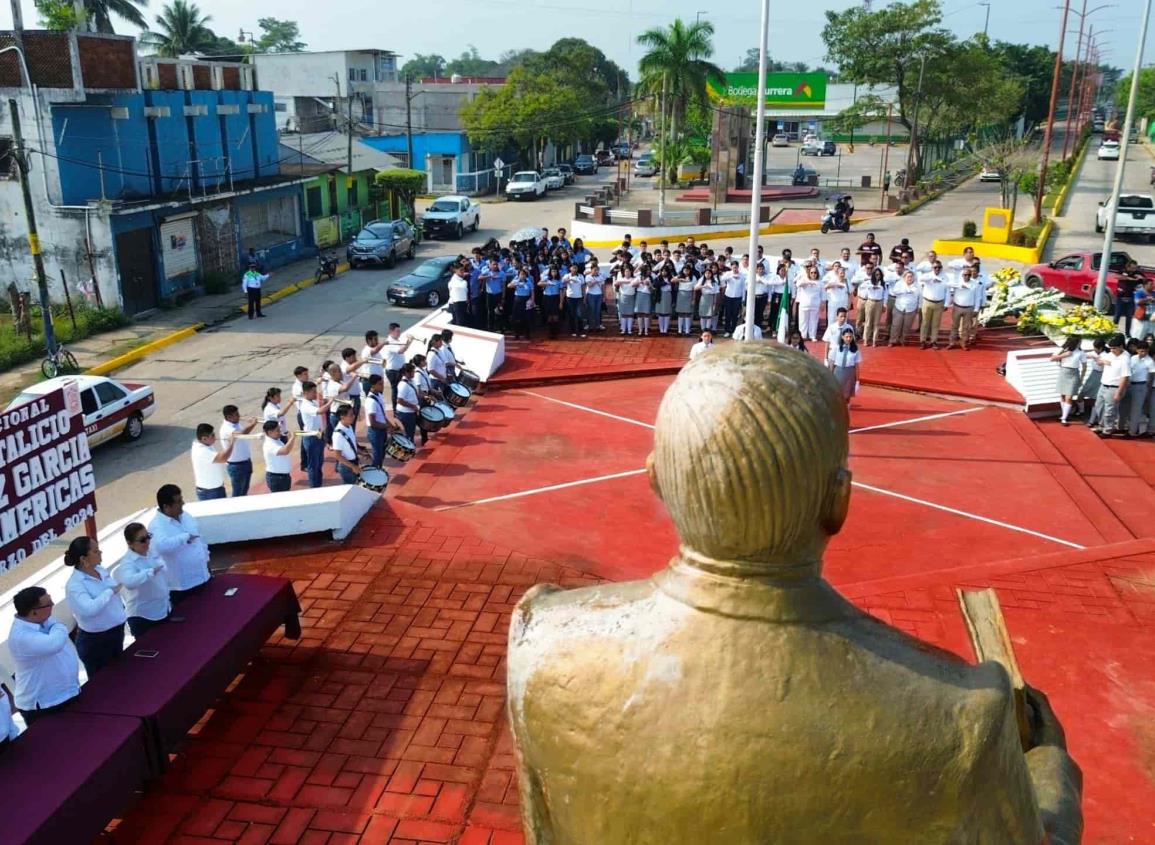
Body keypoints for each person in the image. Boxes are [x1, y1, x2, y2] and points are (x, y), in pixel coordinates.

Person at [507, 343, 1082, 845]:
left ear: (656, 478)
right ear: (839, 501)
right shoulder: (964, 717)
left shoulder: (545, 637)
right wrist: (1049, 767)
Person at [8, 587, 80, 724]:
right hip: (44, 705)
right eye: (48, 604)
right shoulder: (21, 636)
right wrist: (59, 626)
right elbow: (55, 643)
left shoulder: (42, 619)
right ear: (33, 612)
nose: (53, 605)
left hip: (67, 693)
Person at [63, 536, 126, 676]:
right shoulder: (75, 585)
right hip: (96, 642)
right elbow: (89, 609)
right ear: (83, 559)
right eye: (96, 551)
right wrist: (109, 592)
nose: (100, 553)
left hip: (115, 632)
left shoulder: (101, 570)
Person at [149, 484, 211, 602]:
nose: (183, 503)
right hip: (182, 587)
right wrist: (185, 537)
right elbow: (162, 546)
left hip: (203, 576)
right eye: (178, 501)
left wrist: (206, 560)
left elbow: (199, 539)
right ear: (166, 506)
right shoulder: (156, 526)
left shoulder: (186, 516)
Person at [112, 523, 171, 638]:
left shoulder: (151, 551)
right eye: (142, 540)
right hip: (143, 617)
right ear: (130, 543)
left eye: (148, 536)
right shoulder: (128, 563)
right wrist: (149, 572)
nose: (147, 542)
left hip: (162, 609)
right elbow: (129, 582)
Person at [1092, 334, 1131, 437]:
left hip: (1114, 387)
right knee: (1099, 406)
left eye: (1114, 348)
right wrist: (1103, 362)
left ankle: (1108, 430)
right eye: (1111, 348)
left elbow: (1125, 377)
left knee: (1109, 410)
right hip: (1104, 385)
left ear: (1121, 347)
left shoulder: (1125, 359)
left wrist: (1119, 392)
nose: (1112, 350)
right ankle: (1101, 425)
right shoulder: (1111, 355)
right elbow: (1103, 360)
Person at [297, 381, 331, 488]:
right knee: (313, 464)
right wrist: (330, 402)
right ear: (306, 392)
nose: (315, 393)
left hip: (319, 435)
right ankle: (314, 487)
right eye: (313, 391)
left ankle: (318, 484)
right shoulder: (305, 405)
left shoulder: (312, 402)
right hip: (311, 437)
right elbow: (321, 411)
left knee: (319, 462)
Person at [190, 423, 236, 501]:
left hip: (216, 489)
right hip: (209, 492)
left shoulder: (206, 445)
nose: (215, 437)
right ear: (204, 439)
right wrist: (232, 442)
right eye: (213, 435)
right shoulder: (201, 451)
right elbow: (223, 458)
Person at [220, 406, 257, 497]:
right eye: (236, 415)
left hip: (245, 462)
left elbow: (242, 431)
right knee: (238, 493)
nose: (239, 416)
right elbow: (241, 434)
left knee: (244, 491)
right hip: (236, 466)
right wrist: (252, 424)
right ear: (229, 417)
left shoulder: (235, 423)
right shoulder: (226, 429)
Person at [917, 259, 950, 349]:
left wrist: (946, 304)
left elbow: (947, 291)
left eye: (939, 267)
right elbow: (920, 278)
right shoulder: (928, 275)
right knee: (925, 323)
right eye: (935, 267)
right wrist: (932, 278)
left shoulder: (945, 277)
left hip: (939, 303)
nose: (937, 269)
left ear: (941, 268)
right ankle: (923, 340)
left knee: (936, 324)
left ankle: (933, 341)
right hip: (928, 301)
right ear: (932, 268)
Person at [1125, 340, 1154, 437]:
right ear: (1137, 350)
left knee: (1136, 409)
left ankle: (1132, 432)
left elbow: (1151, 376)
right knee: (1129, 408)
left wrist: (1148, 389)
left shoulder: (1149, 361)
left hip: (1141, 385)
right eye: (1141, 351)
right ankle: (1132, 428)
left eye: (1145, 351)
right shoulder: (1133, 358)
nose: (1143, 353)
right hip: (1131, 384)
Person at [948, 266, 980, 350]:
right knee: (954, 326)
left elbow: (977, 297)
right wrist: (960, 285)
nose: (967, 276)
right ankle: (952, 342)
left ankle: (963, 342)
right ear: (962, 275)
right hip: (957, 306)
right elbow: (947, 284)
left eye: (968, 275)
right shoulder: (958, 281)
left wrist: (976, 309)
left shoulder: (975, 283)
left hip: (969, 308)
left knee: (966, 327)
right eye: (965, 275)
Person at [364, 375, 393, 467]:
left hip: (381, 430)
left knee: (381, 454)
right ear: (373, 385)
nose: (382, 386)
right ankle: (375, 474)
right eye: (380, 384)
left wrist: (390, 425)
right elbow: (373, 423)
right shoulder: (370, 402)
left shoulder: (379, 395)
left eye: (383, 384)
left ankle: (378, 471)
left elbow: (382, 415)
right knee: (377, 456)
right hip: (375, 432)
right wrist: (387, 426)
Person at [328, 404, 361, 484]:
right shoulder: (338, 434)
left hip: (353, 463)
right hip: (347, 467)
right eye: (351, 415)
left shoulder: (349, 427)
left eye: (353, 414)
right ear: (342, 417)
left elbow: (350, 445)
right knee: (352, 490)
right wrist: (353, 467)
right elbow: (337, 456)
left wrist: (360, 452)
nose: (354, 416)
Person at [380, 325, 411, 410]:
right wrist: (409, 342)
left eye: (399, 331)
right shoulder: (390, 342)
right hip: (393, 371)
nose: (399, 333)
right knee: (396, 390)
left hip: (398, 370)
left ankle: (398, 407)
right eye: (397, 331)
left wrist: (407, 343)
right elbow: (400, 351)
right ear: (391, 331)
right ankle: (395, 409)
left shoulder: (396, 340)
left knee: (399, 390)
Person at [1078, 338, 1108, 423]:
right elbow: (1084, 355)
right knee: (1081, 394)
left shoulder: (1106, 355)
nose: (1094, 349)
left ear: (1101, 348)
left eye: (1096, 348)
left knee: (1096, 398)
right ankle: (1081, 411)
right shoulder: (1094, 353)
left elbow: (1102, 364)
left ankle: (1092, 419)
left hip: (1101, 375)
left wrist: (1098, 358)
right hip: (1093, 374)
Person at [829, 326, 861, 403]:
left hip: (849, 373)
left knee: (847, 394)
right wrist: (830, 375)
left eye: (850, 337)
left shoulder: (855, 350)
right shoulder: (836, 348)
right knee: (836, 392)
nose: (848, 339)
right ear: (842, 337)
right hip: (838, 372)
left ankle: (846, 409)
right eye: (846, 337)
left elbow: (857, 367)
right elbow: (832, 363)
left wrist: (857, 381)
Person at [888, 271, 920, 346]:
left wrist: (919, 307)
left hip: (911, 309)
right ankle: (893, 340)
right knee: (896, 325)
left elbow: (920, 297)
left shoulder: (917, 286)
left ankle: (902, 340)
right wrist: (904, 291)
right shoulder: (899, 284)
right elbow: (894, 292)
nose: (910, 278)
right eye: (908, 276)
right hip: (899, 307)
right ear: (904, 277)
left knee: (907, 326)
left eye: (911, 277)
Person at [858, 268, 887, 347]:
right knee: (868, 322)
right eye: (876, 274)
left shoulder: (883, 284)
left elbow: (885, 295)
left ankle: (874, 340)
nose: (878, 276)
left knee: (876, 323)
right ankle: (866, 339)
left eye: (879, 274)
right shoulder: (869, 282)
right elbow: (862, 286)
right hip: (870, 302)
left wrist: (884, 305)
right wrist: (870, 285)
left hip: (879, 303)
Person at [795, 265, 823, 342]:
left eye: (815, 273)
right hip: (804, 304)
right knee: (803, 321)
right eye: (812, 273)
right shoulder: (804, 279)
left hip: (815, 304)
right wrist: (807, 282)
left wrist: (822, 303)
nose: (813, 274)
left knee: (814, 321)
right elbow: (798, 284)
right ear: (809, 273)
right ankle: (803, 336)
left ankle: (812, 335)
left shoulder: (820, 282)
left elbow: (823, 294)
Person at [508, 268, 536, 340]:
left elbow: (532, 291)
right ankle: (517, 334)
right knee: (516, 318)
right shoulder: (516, 280)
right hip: (517, 299)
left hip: (526, 299)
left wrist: (532, 300)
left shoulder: (528, 282)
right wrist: (516, 284)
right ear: (518, 275)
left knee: (526, 317)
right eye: (521, 274)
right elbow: (509, 285)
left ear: (526, 275)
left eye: (524, 274)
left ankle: (527, 334)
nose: (522, 276)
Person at [563, 263, 587, 337]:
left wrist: (584, 297)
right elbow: (563, 282)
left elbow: (583, 287)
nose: (574, 269)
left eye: (575, 268)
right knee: (571, 314)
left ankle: (581, 331)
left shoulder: (581, 276)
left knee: (579, 314)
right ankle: (573, 330)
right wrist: (569, 279)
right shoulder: (567, 275)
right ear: (570, 268)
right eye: (573, 268)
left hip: (579, 297)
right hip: (570, 297)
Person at [584, 259, 606, 332]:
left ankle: (597, 326)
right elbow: (589, 285)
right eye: (594, 270)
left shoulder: (601, 276)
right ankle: (590, 326)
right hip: (591, 295)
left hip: (599, 295)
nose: (596, 271)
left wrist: (603, 296)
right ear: (591, 270)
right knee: (591, 311)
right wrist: (596, 281)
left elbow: (603, 286)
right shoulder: (588, 277)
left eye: (597, 270)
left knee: (597, 311)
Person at [448, 260, 470, 327]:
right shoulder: (456, 282)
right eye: (461, 270)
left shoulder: (458, 279)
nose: (463, 272)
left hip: (459, 303)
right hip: (457, 303)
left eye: (463, 270)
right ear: (455, 270)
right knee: (459, 323)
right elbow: (462, 288)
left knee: (459, 322)